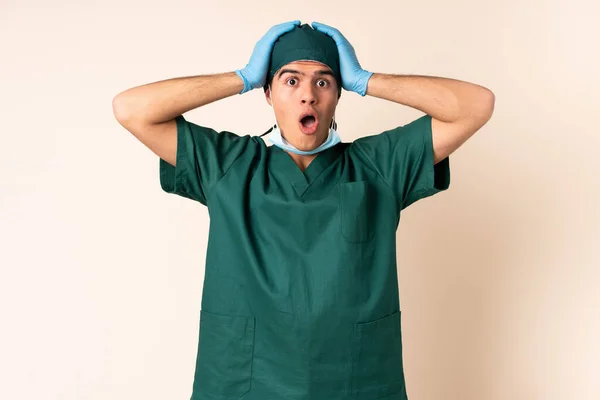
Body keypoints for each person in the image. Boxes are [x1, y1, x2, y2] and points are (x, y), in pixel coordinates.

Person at [112, 20, 494, 400]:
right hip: (244, 383)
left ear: (339, 95)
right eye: (291, 81)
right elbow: (131, 109)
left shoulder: (379, 166)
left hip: (355, 383)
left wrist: (366, 79)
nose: (308, 95)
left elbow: (476, 106)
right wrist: (241, 77)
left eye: (324, 82)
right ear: (268, 93)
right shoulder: (228, 165)